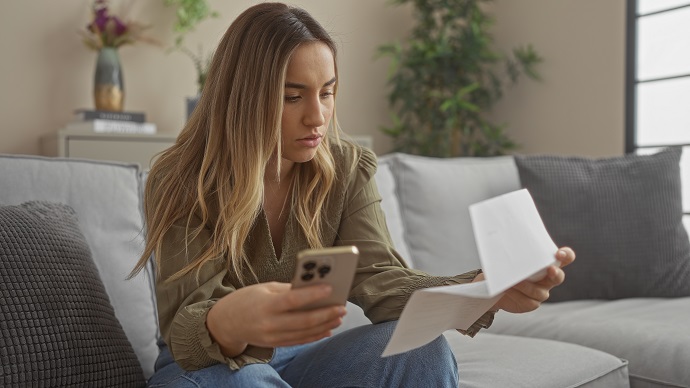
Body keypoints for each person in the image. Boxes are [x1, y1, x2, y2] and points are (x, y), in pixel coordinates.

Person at [130, 3, 575, 387]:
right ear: (244, 97)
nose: (317, 116)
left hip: (304, 358)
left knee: (422, 351)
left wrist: (482, 290)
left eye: (328, 93)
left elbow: (381, 282)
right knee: (247, 379)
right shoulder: (183, 177)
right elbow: (186, 329)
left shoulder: (346, 169)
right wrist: (232, 319)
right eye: (292, 97)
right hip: (208, 368)